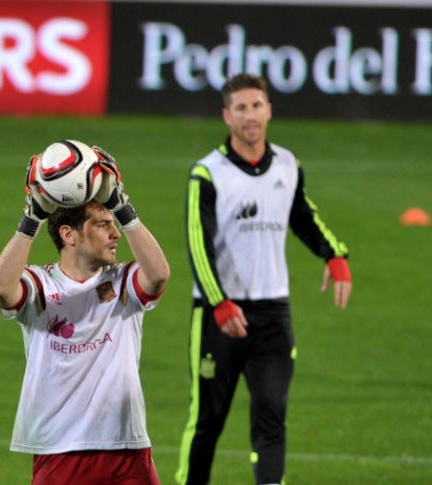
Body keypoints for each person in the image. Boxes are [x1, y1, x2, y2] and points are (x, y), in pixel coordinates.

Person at [175, 73, 352, 485]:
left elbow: (304, 217)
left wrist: (335, 256)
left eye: (257, 105)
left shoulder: (288, 165)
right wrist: (219, 303)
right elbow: (198, 247)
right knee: (207, 421)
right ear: (226, 115)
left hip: (274, 314)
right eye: (241, 108)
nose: (250, 115)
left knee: (272, 417)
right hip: (219, 316)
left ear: (269, 110)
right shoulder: (207, 173)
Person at [0, 143, 170, 485]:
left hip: (125, 448)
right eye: (103, 225)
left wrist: (122, 207)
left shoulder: (123, 282)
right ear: (69, 235)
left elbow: (159, 275)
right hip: (59, 449)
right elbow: (0, 288)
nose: (116, 234)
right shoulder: (38, 285)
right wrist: (32, 219)